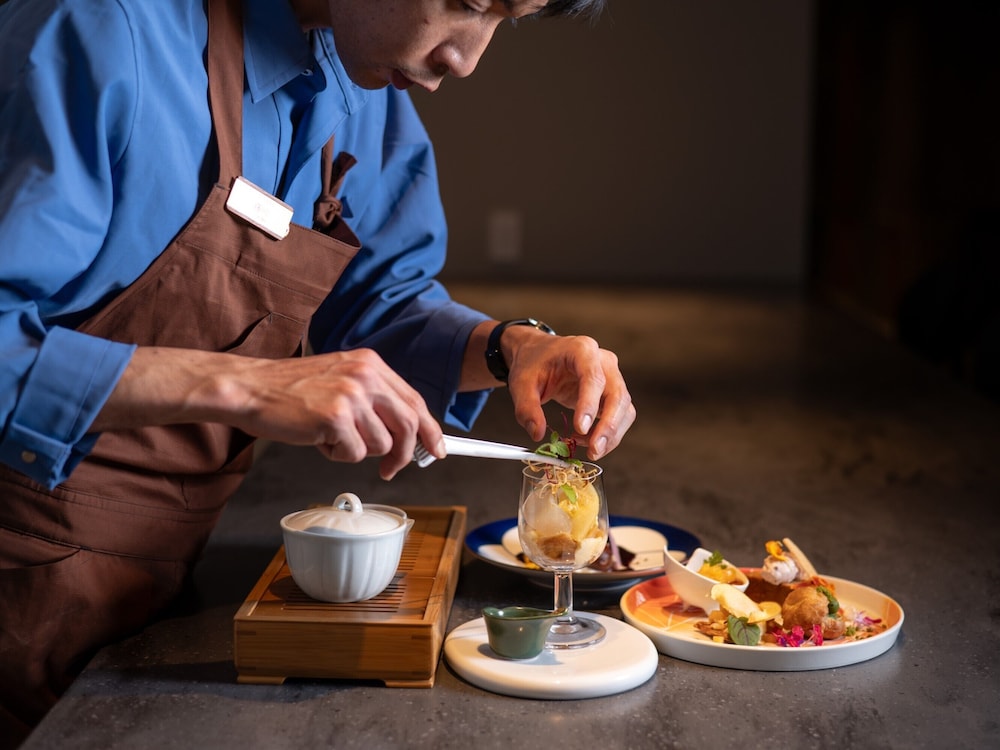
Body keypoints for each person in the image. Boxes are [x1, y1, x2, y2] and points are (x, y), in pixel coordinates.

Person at [0, 0, 634, 742]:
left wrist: (509, 347)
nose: (465, 59)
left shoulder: (356, 76)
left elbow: (376, 304)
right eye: (467, 2)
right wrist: (239, 384)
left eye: (508, 19)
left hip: (164, 587)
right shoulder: (100, 30)